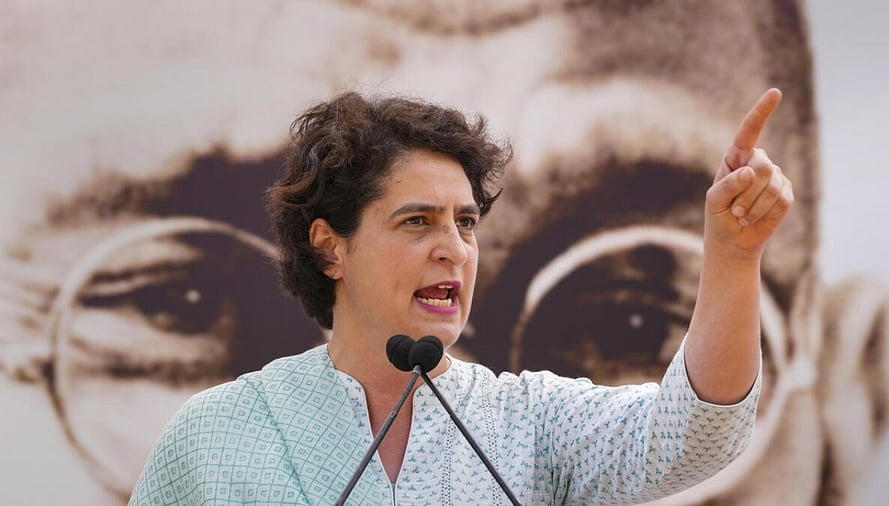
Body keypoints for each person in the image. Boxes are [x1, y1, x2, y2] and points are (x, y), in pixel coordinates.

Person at [128, 86, 792, 504]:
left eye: (465, 222)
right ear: (330, 246)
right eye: (417, 221)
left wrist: (733, 258)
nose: (455, 248)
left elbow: (695, 435)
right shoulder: (214, 436)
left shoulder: (532, 423)